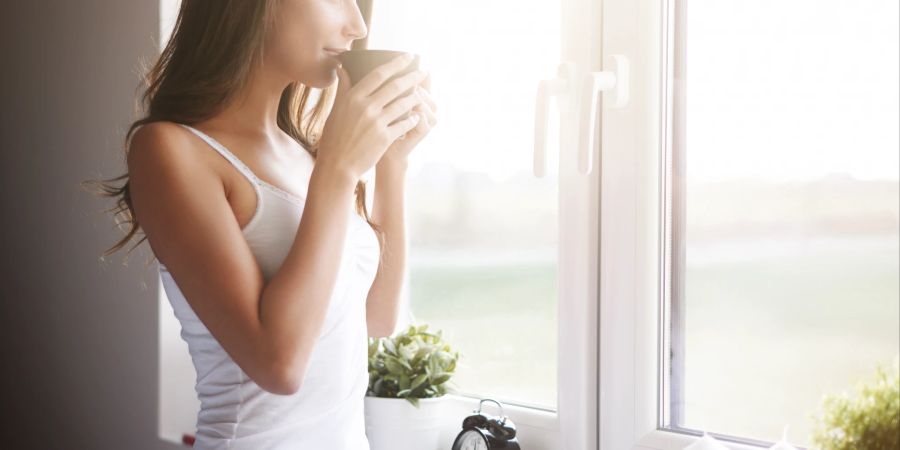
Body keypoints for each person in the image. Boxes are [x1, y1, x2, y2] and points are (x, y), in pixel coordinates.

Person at [86, 0, 437, 448]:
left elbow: (376, 318)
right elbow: (280, 366)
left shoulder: (306, 155)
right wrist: (337, 170)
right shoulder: (169, 150)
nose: (358, 25)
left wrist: (392, 163)